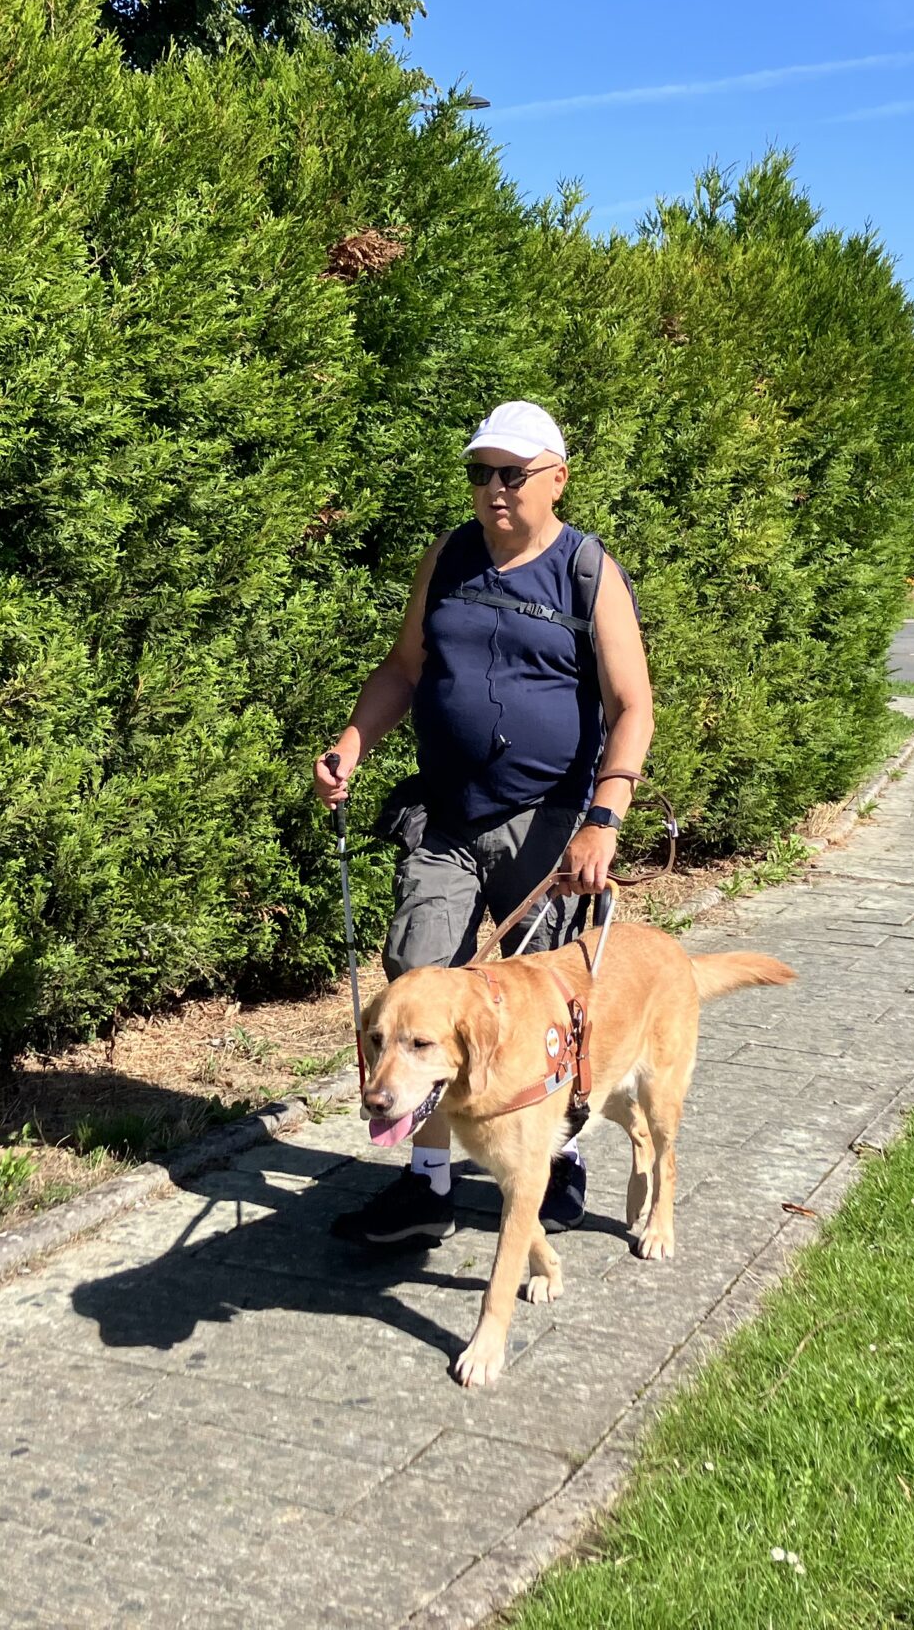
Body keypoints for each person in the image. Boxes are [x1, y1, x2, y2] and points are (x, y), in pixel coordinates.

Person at [313, 401, 653, 1245]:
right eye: (480, 473)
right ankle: (427, 1186)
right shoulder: (449, 557)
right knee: (415, 980)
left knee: (551, 998)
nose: (493, 489)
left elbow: (633, 704)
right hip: (450, 814)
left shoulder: (586, 569)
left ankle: (559, 1161)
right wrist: (355, 741)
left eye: (512, 473)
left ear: (557, 478)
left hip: (552, 824)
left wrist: (604, 818)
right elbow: (405, 667)